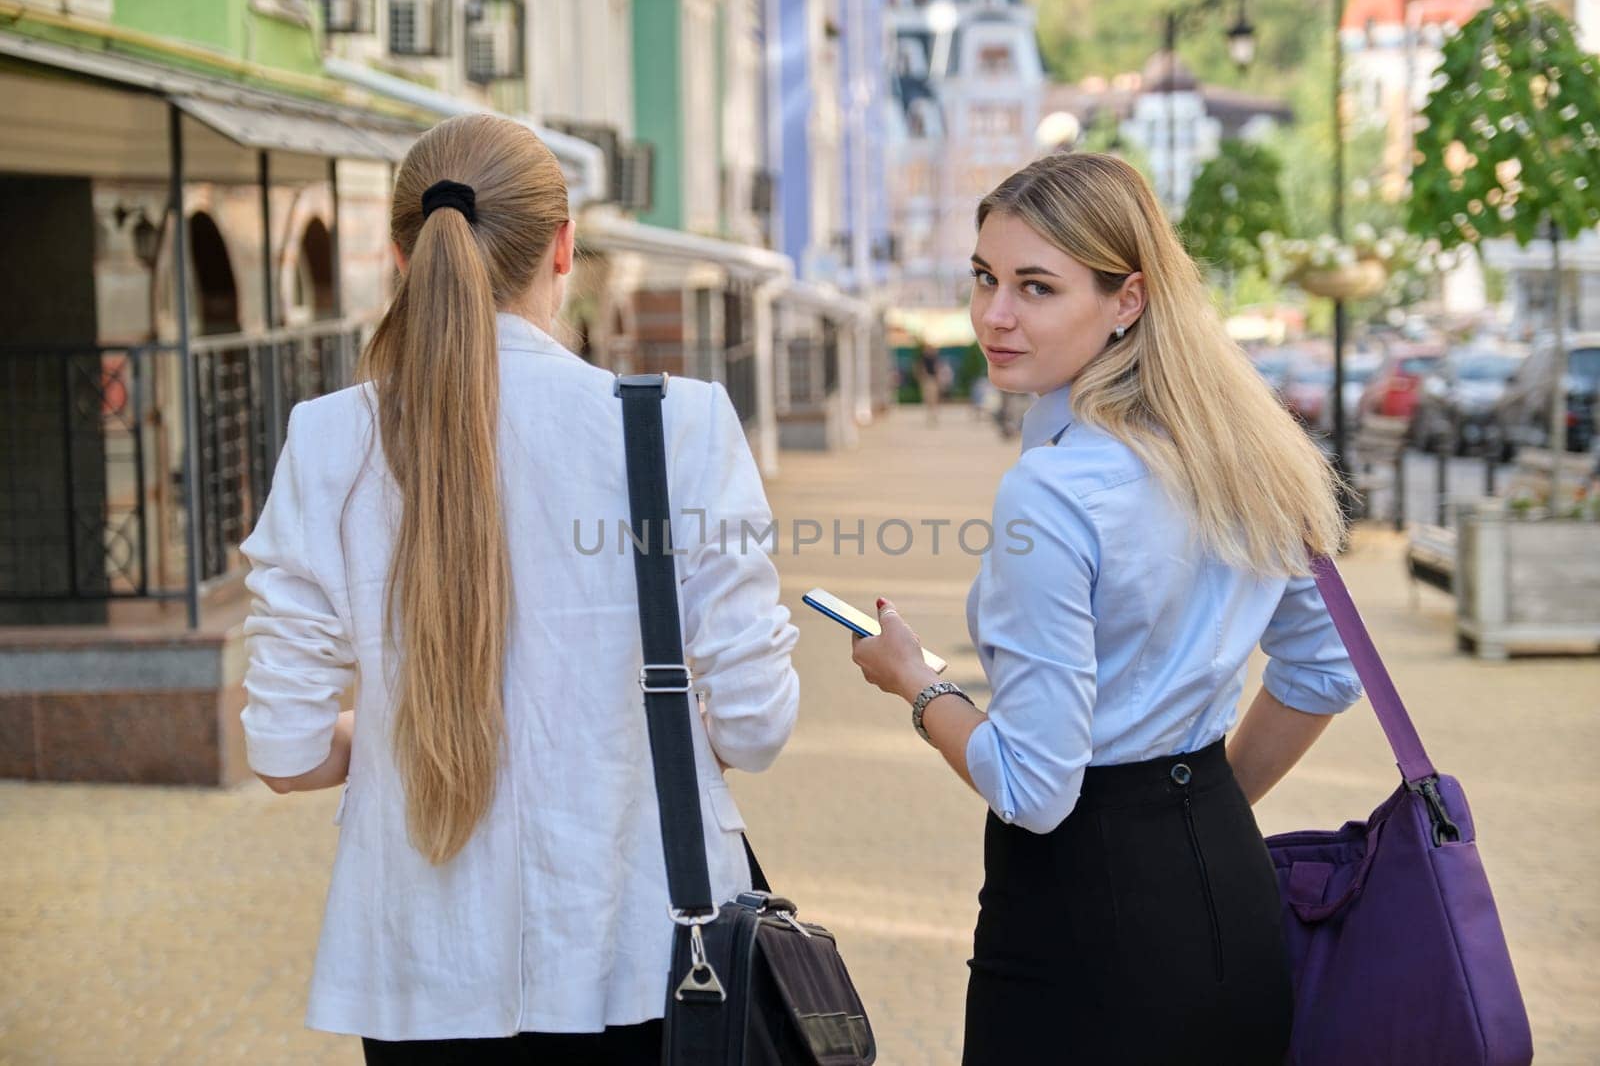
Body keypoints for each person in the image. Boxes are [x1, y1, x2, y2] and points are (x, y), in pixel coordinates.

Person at [238, 114, 799, 1064]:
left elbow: (284, 749)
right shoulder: (679, 427)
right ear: (565, 247)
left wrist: (393, 731)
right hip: (651, 954)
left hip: (421, 974)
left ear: (402, 254)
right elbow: (755, 723)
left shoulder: (329, 440)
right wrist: (625, 731)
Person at [849, 152, 1362, 1064]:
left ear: (1127, 299)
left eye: (1035, 287)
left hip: (1082, 918)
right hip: (1224, 885)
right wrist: (1206, 807)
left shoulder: (1052, 491)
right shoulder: (1236, 446)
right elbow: (1323, 669)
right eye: (984, 277)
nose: (994, 315)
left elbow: (1035, 789)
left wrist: (918, 686)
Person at [918, 342, 943, 425]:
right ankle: (931, 415)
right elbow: (921, 368)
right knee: (929, 398)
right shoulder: (924, 358)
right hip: (928, 379)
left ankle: (933, 415)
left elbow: (937, 368)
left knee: (933, 398)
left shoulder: (934, 358)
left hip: (932, 379)